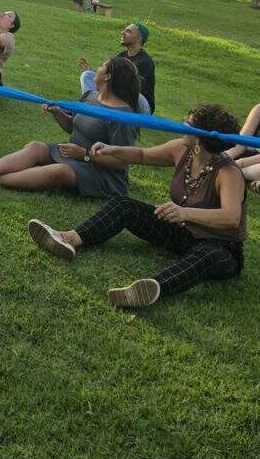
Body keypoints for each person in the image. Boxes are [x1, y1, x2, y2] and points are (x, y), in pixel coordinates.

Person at [27, 103, 247, 308]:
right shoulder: (181, 150)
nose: (181, 126)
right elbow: (142, 155)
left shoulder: (227, 172)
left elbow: (231, 217)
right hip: (182, 233)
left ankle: (149, 289)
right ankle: (70, 239)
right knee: (124, 205)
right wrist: (112, 150)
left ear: (200, 138)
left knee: (206, 256)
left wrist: (184, 212)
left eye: (186, 124)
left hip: (221, 247)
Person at [0, 57, 140, 196]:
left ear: (108, 76)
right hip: (74, 156)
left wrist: (85, 154)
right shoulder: (90, 97)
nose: (96, 69)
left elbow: (122, 161)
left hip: (103, 174)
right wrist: (57, 113)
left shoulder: (122, 115)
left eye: (101, 66)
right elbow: (73, 127)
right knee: (36, 147)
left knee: (60, 171)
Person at [79, 21, 156, 113]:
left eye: (128, 31)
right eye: (124, 30)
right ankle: (90, 105)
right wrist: (94, 73)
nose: (122, 33)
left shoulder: (144, 62)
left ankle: (98, 107)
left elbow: (131, 88)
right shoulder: (121, 56)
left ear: (139, 38)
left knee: (118, 88)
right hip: (117, 95)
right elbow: (107, 74)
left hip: (139, 104)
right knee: (87, 75)